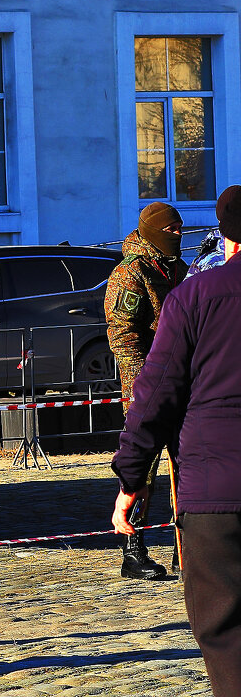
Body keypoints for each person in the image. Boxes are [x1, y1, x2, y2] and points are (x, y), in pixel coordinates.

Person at [111, 184, 241, 696]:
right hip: (209, 472)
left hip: (213, 489)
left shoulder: (191, 292)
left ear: (227, 239)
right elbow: (130, 347)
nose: (177, 238)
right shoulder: (140, 275)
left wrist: (129, 477)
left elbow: (157, 393)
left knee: (224, 628)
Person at [103, 200, 187, 579]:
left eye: (180, 229)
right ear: (154, 232)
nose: (178, 235)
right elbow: (123, 337)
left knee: (188, 466)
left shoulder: (179, 271)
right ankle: (133, 551)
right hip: (147, 388)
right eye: (171, 230)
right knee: (143, 470)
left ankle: (184, 548)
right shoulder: (130, 275)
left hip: (184, 384)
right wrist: (143, 388)